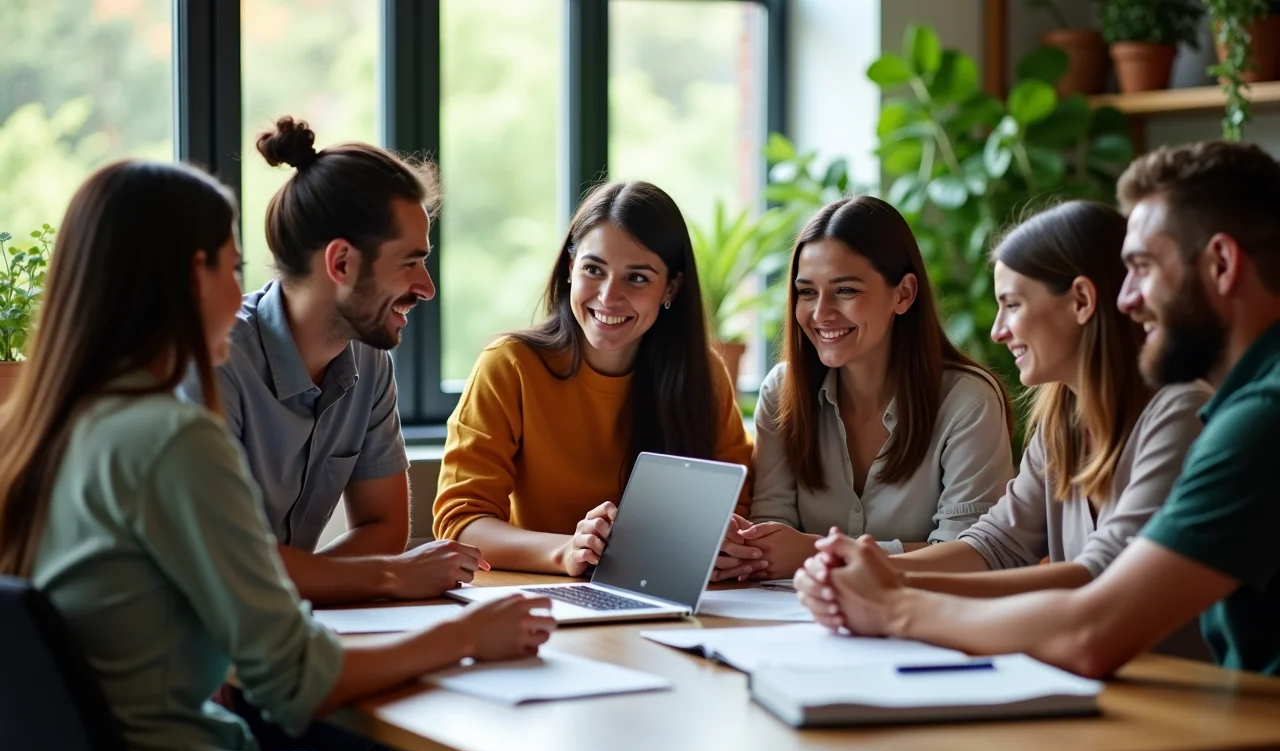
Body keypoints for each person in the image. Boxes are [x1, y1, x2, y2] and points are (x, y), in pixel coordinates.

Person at [0, 159, 553, 751]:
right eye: (232, 268)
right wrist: (468, 636)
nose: (242, 291)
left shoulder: (63, 421)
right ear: (192, 278)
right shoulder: (171, 439)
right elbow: (295, 682)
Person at [796, 140, 1280, 678]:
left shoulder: (1251, 417)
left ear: (1220, 263)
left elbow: (1091, 618)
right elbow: (999, 542)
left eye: (1142, 267)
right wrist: (879, 576)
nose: (1126, 298)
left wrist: (891, 602)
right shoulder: (1068, 416)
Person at [179, 116, 483, 608]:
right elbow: (226, 565)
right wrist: (390, 577)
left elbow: (383, 529)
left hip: (279, 631)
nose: (426, 287)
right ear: (341, 264)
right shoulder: (217, 362)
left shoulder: (367, 356)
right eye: (409, 261)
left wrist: (343, 576)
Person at [884, 200, 1209, 598]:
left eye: (1013, 305)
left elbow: (1102, 575)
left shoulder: (1181, 414)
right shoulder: (1063, 421)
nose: (998, 332)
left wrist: (891, 584)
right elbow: (995, 545)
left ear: (1082, 301)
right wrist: (867, 569)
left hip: (1163, 664)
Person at [432, 180, 754, 578]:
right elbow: (461, 523)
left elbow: (736, 507)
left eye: (637, 278)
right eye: (593, 269)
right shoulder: (510, 366)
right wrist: (566, 551)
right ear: (570, 269)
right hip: (536, 599)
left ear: (671, 287)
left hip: (663, 599)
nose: (608, 296)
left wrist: (724, 545)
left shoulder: (703, 374)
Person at [736, 195, 1015, 582]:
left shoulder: (968, 402)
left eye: (845, 291)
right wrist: (746, 547)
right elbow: (772, 526)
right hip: (802, 618)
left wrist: (816, 554)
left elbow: (971, 553)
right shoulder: (783, 391)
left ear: (903, 294)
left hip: (928, 622)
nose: (820, 314)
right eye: (806, 292)